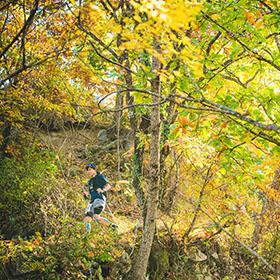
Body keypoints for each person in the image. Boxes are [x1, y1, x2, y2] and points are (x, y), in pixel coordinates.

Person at [83, 163, 117, 232]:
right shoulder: (90, 182)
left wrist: (102, 190)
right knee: (91, 218)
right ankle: (112, 226)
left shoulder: (99, 176)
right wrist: (86, 195)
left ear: (94, 170)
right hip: (93, 201)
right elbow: (91, 194)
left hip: (99, 199)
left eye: (90, 170)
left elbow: (108, 185)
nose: (88, 172)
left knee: (91, 217)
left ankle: (112, 226)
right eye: (87, 170)